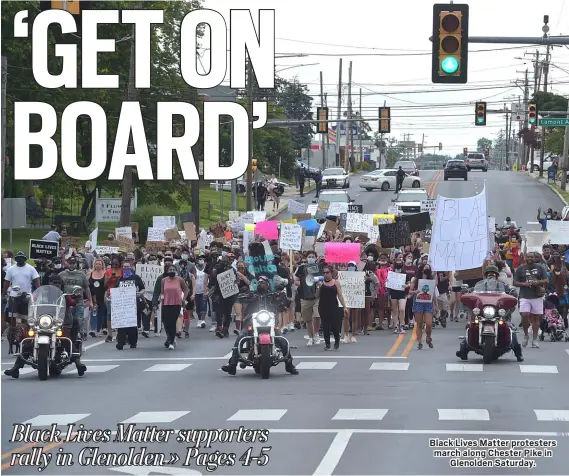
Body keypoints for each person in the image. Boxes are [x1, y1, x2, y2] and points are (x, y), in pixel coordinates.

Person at [4, 273, 87, 378]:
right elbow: (31, 300)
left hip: (61, 321)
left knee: (66, 339)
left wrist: (76, 297)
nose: (56, 284)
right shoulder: (40, 294)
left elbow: (72, 302)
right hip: (42, 321)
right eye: (54, 282)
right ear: (49, 283)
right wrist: (23, 296)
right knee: (29, 341)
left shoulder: (63, 295)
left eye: (58, 283)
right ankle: (15, 368)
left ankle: (79, 364)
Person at [221, 276, 298, 376]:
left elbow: (285, 303)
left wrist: (284, 298)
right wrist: (242, 294)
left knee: (282, 339)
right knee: (241, 337)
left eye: (262, 282)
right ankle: (232, 364)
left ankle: (289, 364)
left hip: (270, 323)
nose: (260, 284)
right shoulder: (252, 295)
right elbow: (241, 298)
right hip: (252, 322)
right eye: (259, 282)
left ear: (267, 284)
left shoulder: (272, 295)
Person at [457, 265, 523, 362]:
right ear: (485, 275)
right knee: (471, 326)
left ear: (497, 275)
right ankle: (464, 348)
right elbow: (470, 292)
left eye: (493, 274)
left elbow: (512, 293)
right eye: (489, 274)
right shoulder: (478, 287)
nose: (491, 276)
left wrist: (513, 293)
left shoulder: (503, 286)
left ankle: (518, 353)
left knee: (510, 328)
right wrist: (466, 292)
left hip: (500, 314)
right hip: (483, 313)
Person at [513, 252, 549, 349]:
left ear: (534, 258)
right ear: (525, 258)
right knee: (525, 315)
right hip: (524, 296)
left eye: (532, 257)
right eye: (528, 257)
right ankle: (526, 335)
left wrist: (537, 282)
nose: (530, 258)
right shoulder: (520, 269)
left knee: (536, 319)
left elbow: (546, 280)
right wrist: (525, 284)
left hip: (537, 296)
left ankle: (535, 340)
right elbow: (515, 282)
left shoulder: (540, 267)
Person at [114, 260, 145, 350]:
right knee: (122, 325)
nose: (126, 268)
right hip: (122, 305)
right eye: (124, 267)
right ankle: (121, 342)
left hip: (133, 304)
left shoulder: (136, 278)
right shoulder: (119, 279)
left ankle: (133, 342)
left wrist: (139, 294)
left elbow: (143, 289)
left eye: (128, 266)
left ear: (131, 267)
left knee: (132, 325)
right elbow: (115, 290)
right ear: (122, 268)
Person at [58, 256, 92, 340]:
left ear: (76, 264)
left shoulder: (81, 274)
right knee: (64, 323)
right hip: (65, 303)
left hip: (78, 302)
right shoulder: (61, 274)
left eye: (73, 263)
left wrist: (90, 301)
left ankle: (77, 339)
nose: (72, 265)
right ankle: (66, 338)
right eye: (70, 263)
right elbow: (56, 287)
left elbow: (87, 288)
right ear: (67, 263)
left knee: (78, 321)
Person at [316, 265, 349, 350]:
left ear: (331, 273)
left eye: (327, 272)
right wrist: (318, 287)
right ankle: (327, 344)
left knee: (334, 326)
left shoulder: (336, 283)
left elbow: (340, 295)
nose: (325, 274)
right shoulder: (321, 283)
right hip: (323, 306)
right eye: (324, 273)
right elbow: (316, 296)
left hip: (333, 306)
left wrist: (344, 306)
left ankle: (337, 340)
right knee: (325, 325)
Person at [2, 252, 40, 320]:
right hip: (13, 296)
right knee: (12, 316)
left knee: (25, 317)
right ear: (16, 259)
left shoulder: (31, 268)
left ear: (25, 259)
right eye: (18, 258)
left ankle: (24, 330)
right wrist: (4, 294)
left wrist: (38, 292)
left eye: (22, 258)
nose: (20, 259)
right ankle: (13, 329)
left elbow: (36, 280)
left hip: (27, 296)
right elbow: (6, 282)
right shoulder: (11, 269)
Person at [160, 264, 190, 350]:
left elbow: (186, 289)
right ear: (167, 271)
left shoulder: (180, 280)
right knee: (166, 323)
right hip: (166, 303)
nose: (172, 271)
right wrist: (161, 299)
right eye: (170, 270)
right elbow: (162, 292)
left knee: (172, 322)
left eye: (173, 269)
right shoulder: (163, 280)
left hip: (176, 303)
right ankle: (169, 337)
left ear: (176, 271)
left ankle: (171, 341)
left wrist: (183, 299)